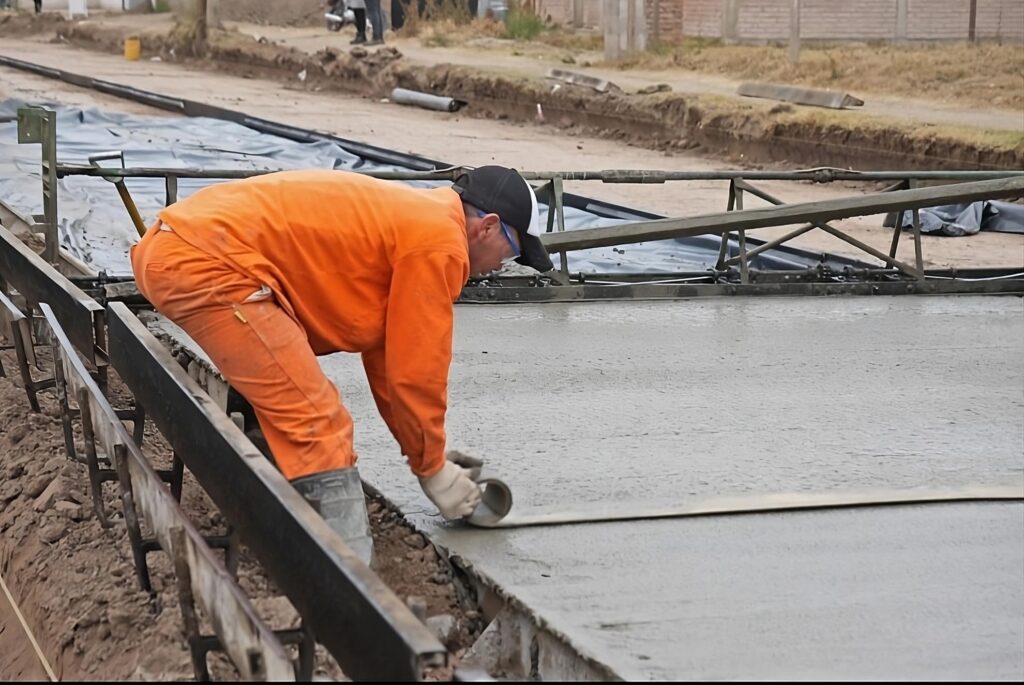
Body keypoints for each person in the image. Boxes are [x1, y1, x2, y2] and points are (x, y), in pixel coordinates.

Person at [130, 167, 553, 567]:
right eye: (514, 253)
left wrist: (429, 457)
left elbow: (393, 361)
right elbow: (419, 370)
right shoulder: (439, 240)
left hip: (188, 248)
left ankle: (306, 536)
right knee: (319, 425)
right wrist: (433, 471)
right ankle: (351, 590)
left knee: (306, 413)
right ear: (489, 226)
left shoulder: (419, 220)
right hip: (207, 263)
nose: (503, 264)